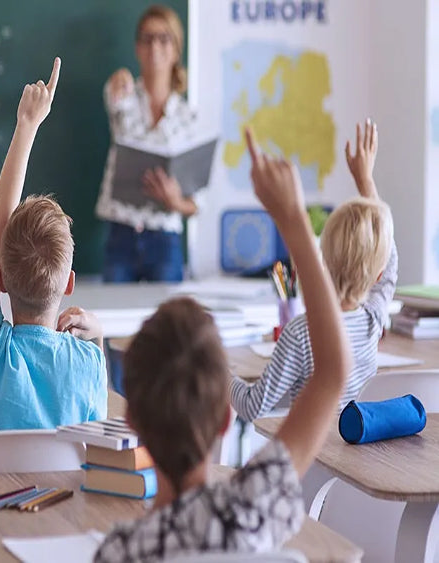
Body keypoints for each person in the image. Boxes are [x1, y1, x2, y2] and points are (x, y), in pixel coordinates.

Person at [94, 128, 352, 560]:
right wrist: (293, 220)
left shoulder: (122, 552)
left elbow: (330, 373)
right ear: (224, 420)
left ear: (132, 420)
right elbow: (332, 372)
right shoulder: (252, 510)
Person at [0, 58, 107, 441]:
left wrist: (25, 126)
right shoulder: (88, 363)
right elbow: (96, 444)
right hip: (66, 502)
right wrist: (99, 338)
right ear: (69, 283)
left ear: (1, 280)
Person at [231, 119, 396, 422]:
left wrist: (221, 373)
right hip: (353, 462)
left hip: (312, 462)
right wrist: (365, 180)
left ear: (323, 260)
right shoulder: (374, 320)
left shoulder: (301, 333)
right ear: (378, 276)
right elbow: (389, 260)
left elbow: (252, 406)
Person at [96, 4, 199, 282]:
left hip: (165, 240)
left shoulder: (188, 118)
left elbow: (195, 204)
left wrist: (175, 201)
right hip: (121, 233)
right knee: (115, 319)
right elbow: (113, 98)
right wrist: (118, 82)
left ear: (176, 49)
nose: (154, 46)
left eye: (163, 38)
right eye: (147, 38)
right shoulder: (123, 94)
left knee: (168, 321)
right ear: (137, 47)